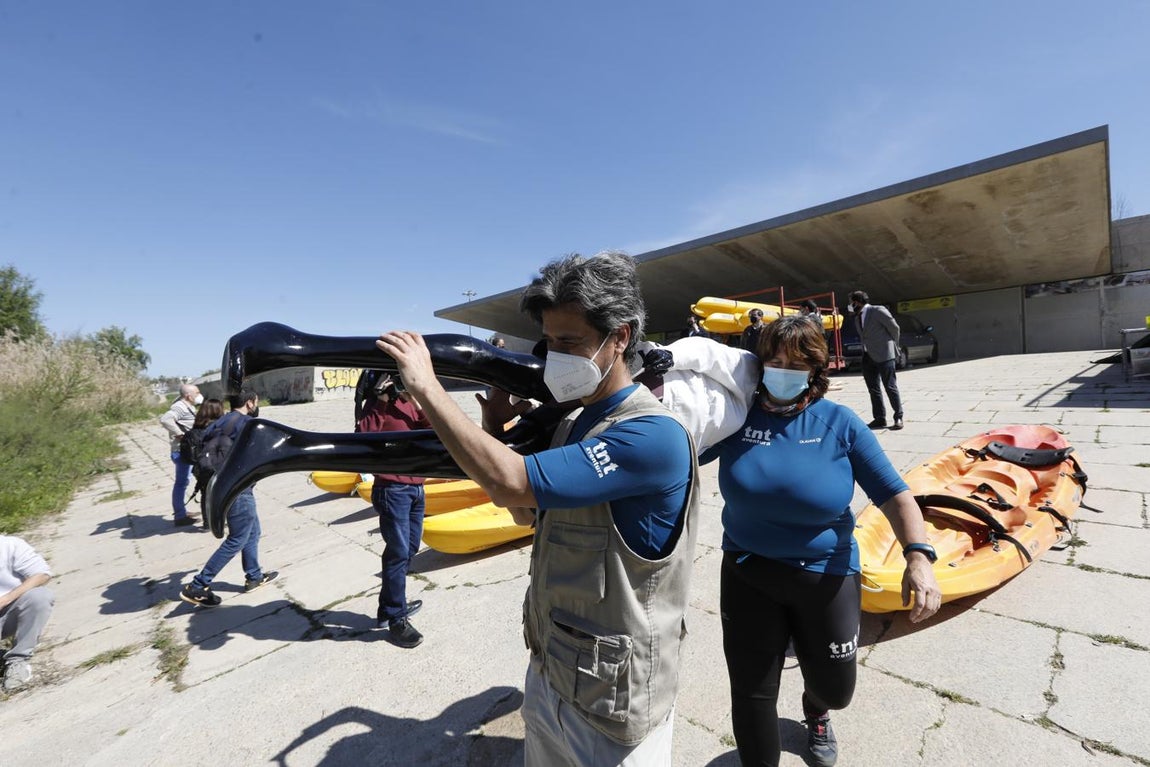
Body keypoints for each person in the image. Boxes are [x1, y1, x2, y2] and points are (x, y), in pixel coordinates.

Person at [376, 251, 699, 765]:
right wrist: (495, 427)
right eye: (550, 342)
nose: (555, 356)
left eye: (570, 342)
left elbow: (510, 483)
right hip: (553, 674)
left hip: (614, 704)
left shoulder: (651, 435)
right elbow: (526, 513)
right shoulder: (574, 424)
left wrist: (427, 387)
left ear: (620, 336)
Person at [700, 315, 941, 767]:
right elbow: (678, 449)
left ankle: (817, 712)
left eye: (795, 362)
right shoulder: (736, 418)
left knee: (836, 689)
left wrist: (919, 557)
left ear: (816, 368)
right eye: (773, 361)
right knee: (751, 693)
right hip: (748, 570)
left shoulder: (839, 423)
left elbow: (895, 494)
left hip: (826, 573)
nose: (783, 371)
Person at [180, 389, 277, 607]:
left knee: (253, 531)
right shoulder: (247, 424)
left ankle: (254, 576)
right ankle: (198, 585)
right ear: (250, 403)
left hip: (221, 485)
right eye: (256, 402)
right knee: (237, 538)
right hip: (238, 488)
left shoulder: (219, 422)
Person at [356, 374, 433, 648]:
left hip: (416, 487)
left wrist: (415, 400)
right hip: (392, 489)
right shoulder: (375, 406)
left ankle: (389, 606)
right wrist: (379, 401)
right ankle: (395, 619)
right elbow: (362, 438)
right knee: (398, 552)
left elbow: (430, 428)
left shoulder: (409, 403)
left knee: (409, 548)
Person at [0, 535, 54, 693]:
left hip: (8, 612)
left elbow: (42, 574)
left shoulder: (10, 545)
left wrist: (6, 599)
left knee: (40, 596)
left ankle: (18, 660)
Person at [849, 290, 904, 430]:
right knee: (873, 389)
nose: (850, 305)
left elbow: (894, 328)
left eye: (852, 302)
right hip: (867, 356)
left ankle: (898, 417)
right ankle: (879, 418)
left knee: (890, 387)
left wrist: (893, 346)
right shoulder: (857, 317)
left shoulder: (878, 310)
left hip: (884, 354)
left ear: (858, 301)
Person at [159, 383, 202, 526]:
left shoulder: (187, 406)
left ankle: (181, 510)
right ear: (188, 395)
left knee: (184, 482)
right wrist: (180, 434)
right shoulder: (180, 407)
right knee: (181, 483)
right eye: (197, 392)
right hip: (182, 452)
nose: (199, 395)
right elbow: (165, 419)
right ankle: (180, 516)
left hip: (187, 450)